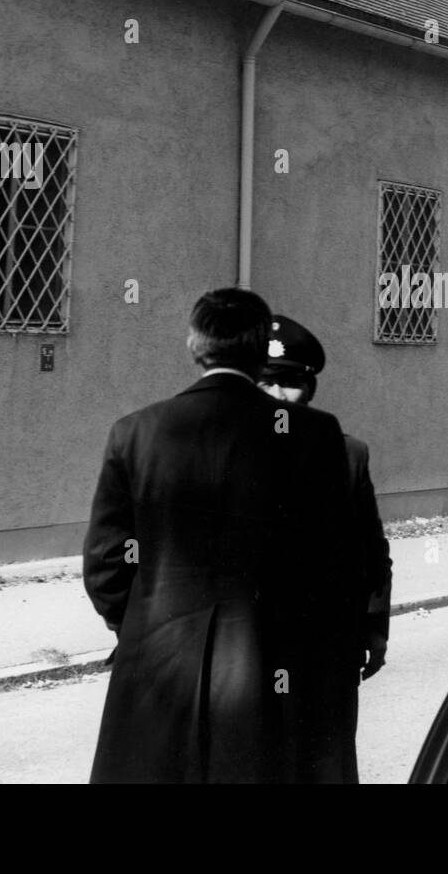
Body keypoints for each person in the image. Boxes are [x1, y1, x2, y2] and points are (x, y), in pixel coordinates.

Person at [83, 288, 361, 783]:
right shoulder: (313, 434)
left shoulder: (135, 431)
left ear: (195, 346)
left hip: (159, 667)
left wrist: (146, 620)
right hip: (271, 664)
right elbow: (337, 561)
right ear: (259, 352)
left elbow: (108, 560)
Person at [259, 314, 394, 783]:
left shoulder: (346, 453)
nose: (279, 395)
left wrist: (374, 630)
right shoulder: (223, 450)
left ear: (310, 388)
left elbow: (371, 551)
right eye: (268, 382)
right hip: (248, 648)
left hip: (326, 649)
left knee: (327, 765)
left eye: (291, 383)